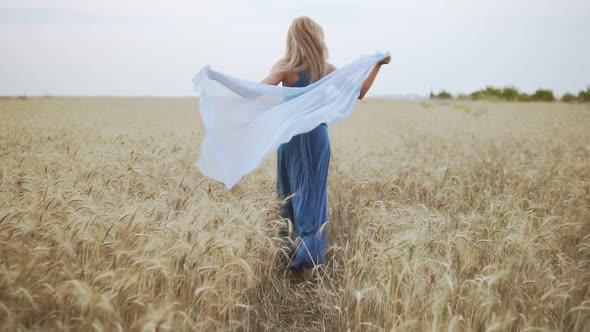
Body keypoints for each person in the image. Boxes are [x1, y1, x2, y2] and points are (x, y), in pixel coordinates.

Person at [261, 16, 390, 272]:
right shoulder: (325, 68)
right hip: (316, 138)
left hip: (291, 138)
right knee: (313, 195)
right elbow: (361, 91)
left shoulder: (285, 66)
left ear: (292, 39)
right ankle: (306, 257)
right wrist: (378, 64)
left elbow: (259, 91)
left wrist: (225, 87)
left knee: (288, 192)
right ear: (317, 39)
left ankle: (290, 255)